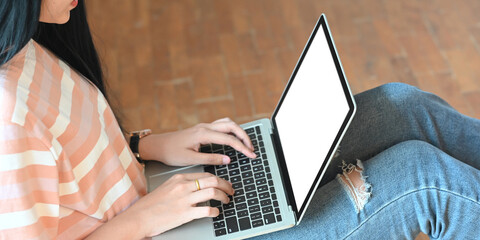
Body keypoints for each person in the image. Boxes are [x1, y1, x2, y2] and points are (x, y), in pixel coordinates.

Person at [1, 1, 479, 239]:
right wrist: (142, 220)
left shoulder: (24, 47)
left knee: (400, 105)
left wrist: (145, 146)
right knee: (421, 181)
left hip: (165, 199)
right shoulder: (8, 121)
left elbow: (65, 169)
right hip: (152, 223)